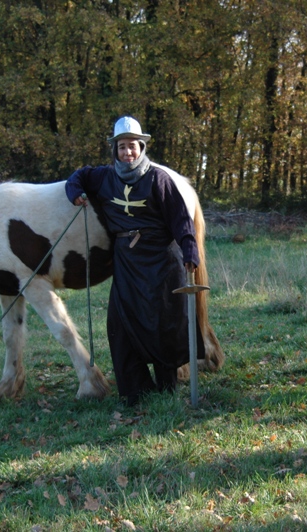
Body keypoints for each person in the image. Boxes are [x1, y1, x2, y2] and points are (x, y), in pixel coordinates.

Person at [65, 116, 204, 406]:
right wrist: (74, 193)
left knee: (162, 322)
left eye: (132, 147)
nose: (127, 153)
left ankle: (167, 385)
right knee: (121, 324)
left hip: (161, 260)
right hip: (127, 262)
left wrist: (190, 251)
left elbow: (181, 219)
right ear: (114, 150)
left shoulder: (158, 178)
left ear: (141, 148)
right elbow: (78, 176)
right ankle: (135, 389)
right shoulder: (104, 177)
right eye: (122, 147)